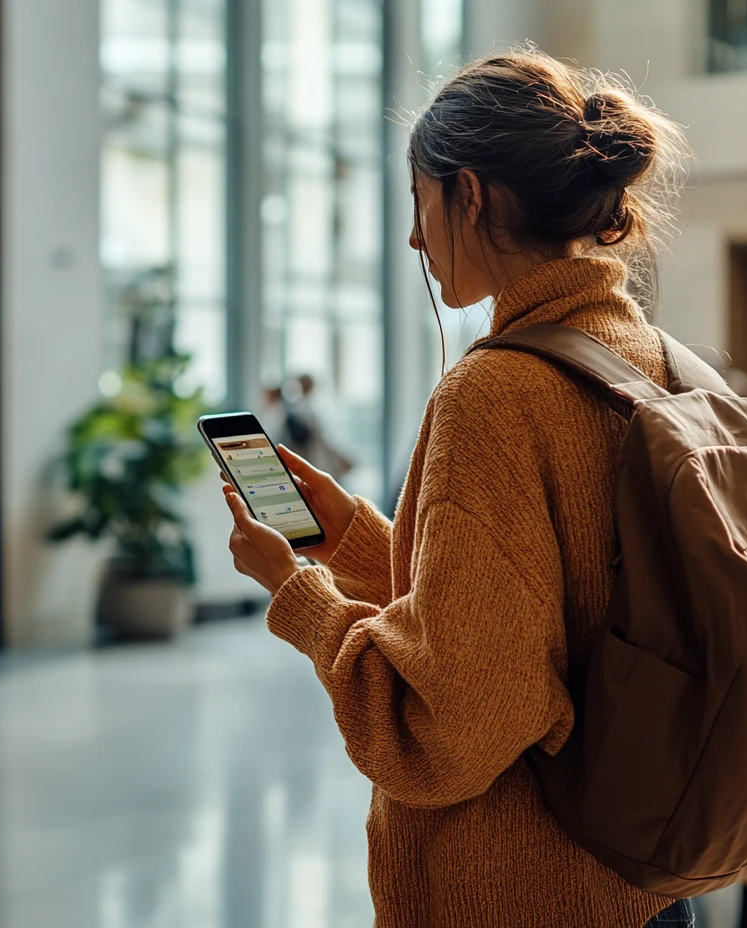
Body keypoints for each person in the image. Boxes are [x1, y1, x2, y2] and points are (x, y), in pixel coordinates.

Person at [221, 50, 696, 927]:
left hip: (518, 892)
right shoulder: (646, 358)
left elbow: (449, 730)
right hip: (634, 887)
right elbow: (546, 601)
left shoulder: (492, 393)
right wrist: (361, 541)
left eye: (418, 201)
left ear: (469, 195)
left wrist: (301, 596)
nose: (413, 237)